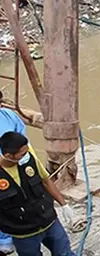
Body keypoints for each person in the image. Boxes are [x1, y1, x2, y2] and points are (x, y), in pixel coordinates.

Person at [0, 132, 75, 256]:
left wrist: (64, 204)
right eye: (22, 154)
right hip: (23, 232)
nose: (27, 154)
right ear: (9, 155)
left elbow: (46, 181)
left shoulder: (30, 160)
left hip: (48, 221)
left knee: (64, 252)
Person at [0, 92, 25, 254]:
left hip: (12, 168)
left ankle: (10, 236)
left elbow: (22, 140)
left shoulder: (8, 116)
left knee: (13, 202)